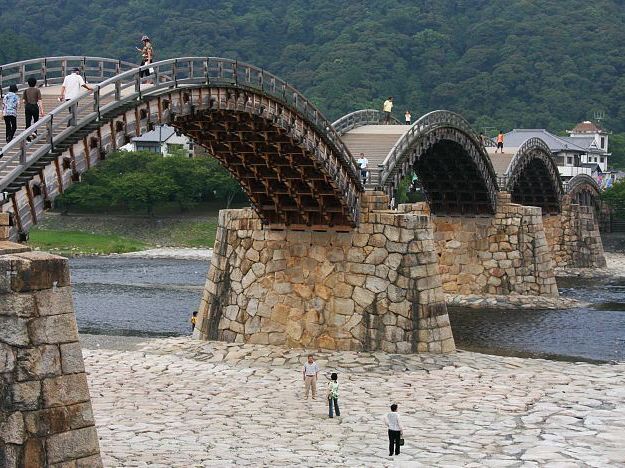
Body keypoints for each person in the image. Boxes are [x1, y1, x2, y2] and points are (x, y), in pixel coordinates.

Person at [23, 77, 44, 141]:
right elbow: (39, 100)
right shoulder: (37, 90)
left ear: (28, 83)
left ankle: (27, 136)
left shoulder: (26, 90)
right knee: (35, 121)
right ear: (35, 83)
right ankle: (34, 132)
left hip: (28, 107)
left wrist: (25, 105)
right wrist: (42, 110)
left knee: (28, 121)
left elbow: (24, 100)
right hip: (35, 107)